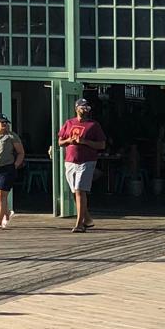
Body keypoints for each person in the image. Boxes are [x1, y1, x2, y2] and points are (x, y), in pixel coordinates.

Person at [55, 97, 107, 233]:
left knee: (79, 190)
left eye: (87, 107)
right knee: (75, 191)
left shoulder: (93, 125)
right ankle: (87, 219)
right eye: (83, 107)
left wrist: (85, 141)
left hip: (87, 161)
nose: (85, 109)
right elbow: (60, 142)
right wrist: (69, 140)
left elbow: (102, 144)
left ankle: (79, 223)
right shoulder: (69, 123)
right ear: (76, 108)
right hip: (70, 160)